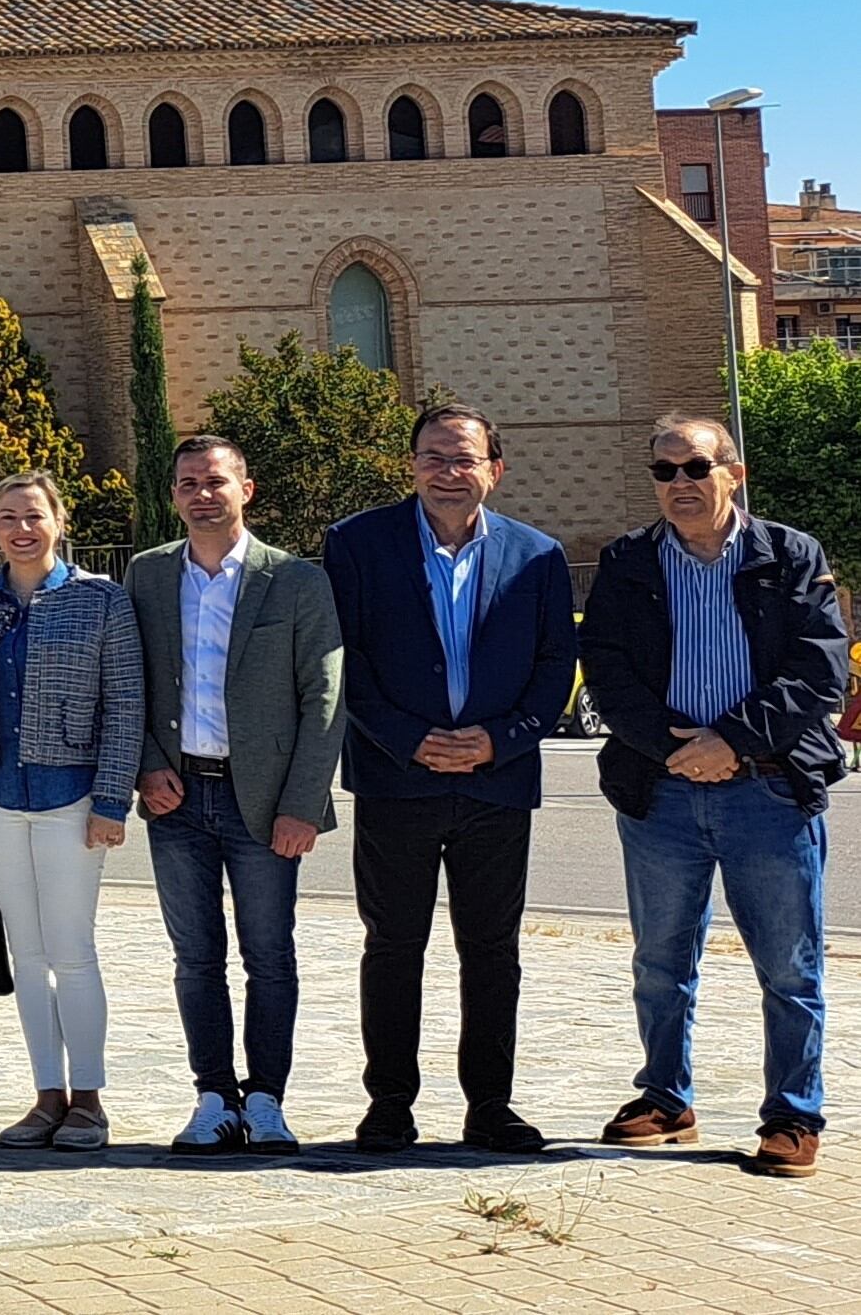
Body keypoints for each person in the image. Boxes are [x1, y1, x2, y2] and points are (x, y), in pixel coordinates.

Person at [587, 413, 848, 1179]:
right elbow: (606, 668)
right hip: (661, 791)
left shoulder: (790, 555)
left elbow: (820, 672)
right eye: (664, 470)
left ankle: (792, 1115)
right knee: (659, 961)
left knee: (790, 967)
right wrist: (675, 749)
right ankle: (665, 1097)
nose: (680, 483)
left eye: (696, 467)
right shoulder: (628, 560)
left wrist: (731, 740)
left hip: (768, 790)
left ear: (734, 473)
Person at [324, 403, 574, 1154]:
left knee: (493, 951)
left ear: (495, 470)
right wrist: (410, 740)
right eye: (433, 456)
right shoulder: (356, 543)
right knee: (393, 946)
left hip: (497, 783)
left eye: (464, 458)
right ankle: (389, 1105)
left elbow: (554, 667)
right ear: (412, 466)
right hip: (397, 780)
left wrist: (499, 740)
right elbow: (342, 660)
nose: (447, 471)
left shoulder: (539, 555)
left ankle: (490, 1106)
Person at [127, 434, 343, 1158]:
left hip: (267, 803)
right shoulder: (148, 574)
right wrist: (147, 767)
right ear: (174, 495)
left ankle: (268, 1098)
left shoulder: (295, 580)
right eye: (188, 482)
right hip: (177, 797)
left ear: (245, 490)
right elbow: (130, 681)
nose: (202, 494)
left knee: (270, 955)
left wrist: (302, 804)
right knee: (195, 957)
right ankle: (214, 1097)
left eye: (215, 481)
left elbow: (324, 697)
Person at [0, 471, 143, 1153]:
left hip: (74, 796)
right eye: (8, 517)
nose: (22, 529)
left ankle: (88, 1099)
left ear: (59, 521)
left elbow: (126, 702)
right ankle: (46, 1096)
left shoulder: (102, 600)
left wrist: (112, 800)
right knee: (27, 953)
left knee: (72, 949)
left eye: (34, 515)